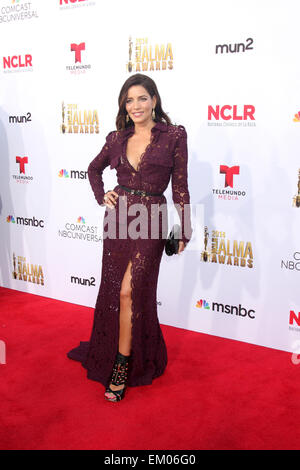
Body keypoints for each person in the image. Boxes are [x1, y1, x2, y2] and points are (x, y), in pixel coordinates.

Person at [67, 73, 193, 402]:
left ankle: (122, 366)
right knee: (115, 290)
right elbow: (93, 169)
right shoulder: (116, 139)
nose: (135, 105)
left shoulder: (174, 136)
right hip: (119, 217)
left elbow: (180, 186)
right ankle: (117, 354)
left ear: (154, 100)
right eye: (129, 100)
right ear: (124, 105)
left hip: (152, 218)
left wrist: (186, 230)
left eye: (142, 98)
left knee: (130, 291)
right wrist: (102, 195)